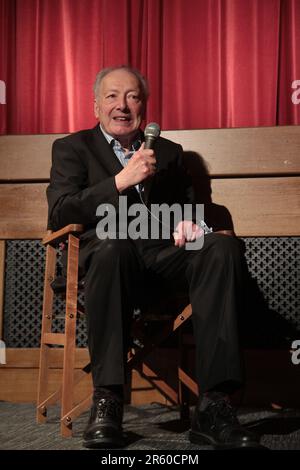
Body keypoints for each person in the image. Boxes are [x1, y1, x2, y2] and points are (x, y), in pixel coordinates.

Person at [47, 65, 260, 450]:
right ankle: (108, 398)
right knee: (114, 247)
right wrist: (118, 182)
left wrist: (189, 224)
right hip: (108, 264)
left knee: (223, 247)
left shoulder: (169, 153)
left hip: (164, 261)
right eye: (112, 96)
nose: (122, 106)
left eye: (132, 96)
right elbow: (60, 212)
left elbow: (190, 210)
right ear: (95, 105)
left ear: (144, 106)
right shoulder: (72, 148)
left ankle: (215, 403)